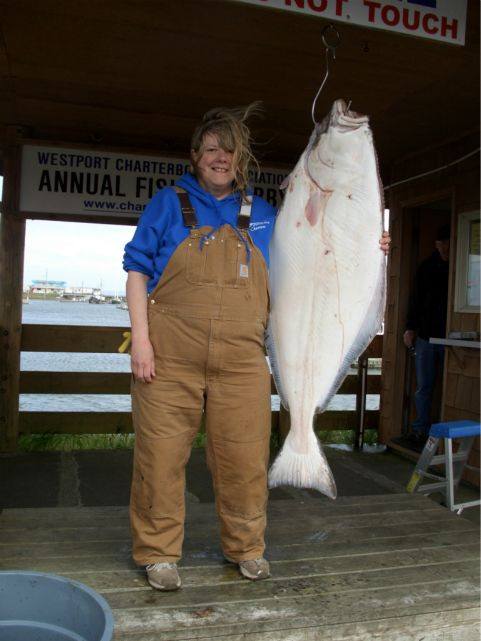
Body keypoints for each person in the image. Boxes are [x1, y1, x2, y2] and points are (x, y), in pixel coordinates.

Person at [123, 104, 391, 591]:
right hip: (168, 360)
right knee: (159, 459)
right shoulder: (166, 204)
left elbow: (315, 260)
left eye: (228, 150)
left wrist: (367, 242)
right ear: (195, 156)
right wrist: (140, 341)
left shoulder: (266, 214)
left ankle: (246, 548)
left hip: (243, 361)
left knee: (244, 460)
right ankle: (159, 553)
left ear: (240, 159)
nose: (219, 158)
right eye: (210, 150)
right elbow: (137, 271)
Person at [403, 224, 450, 443]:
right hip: (426, 337)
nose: (445, 248)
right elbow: (415, 299)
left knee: (446, 387)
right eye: (441, 243)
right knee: (424, 386)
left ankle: (442, 433)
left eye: (448, 243)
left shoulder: (460, 265)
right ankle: (420, 430)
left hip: (450, 337)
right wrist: (410, 328)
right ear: (436, 244)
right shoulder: (427, 267)